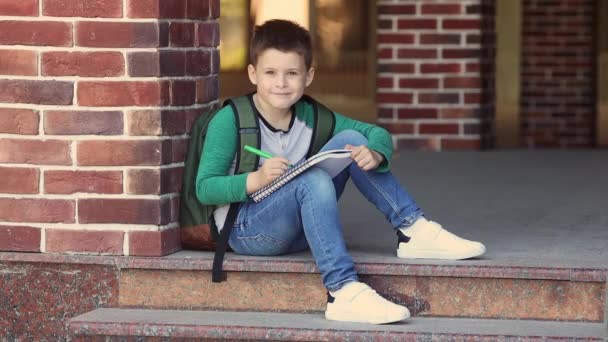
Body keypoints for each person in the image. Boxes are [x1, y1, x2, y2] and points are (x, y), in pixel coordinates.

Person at [196, 19, 486, 325]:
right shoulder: (230, 120)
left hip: (299, 229)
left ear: (308, 76)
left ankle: (414, 230)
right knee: (312, 179)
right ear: (253, 73)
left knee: (354, 142)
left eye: (292, 73)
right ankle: (342, 290)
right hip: (249, 231)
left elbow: (376, 133)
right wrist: (253, 180)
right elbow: (205, 188)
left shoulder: (311, 115)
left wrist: (375, 153)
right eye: (270, 73)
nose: (281, 83)